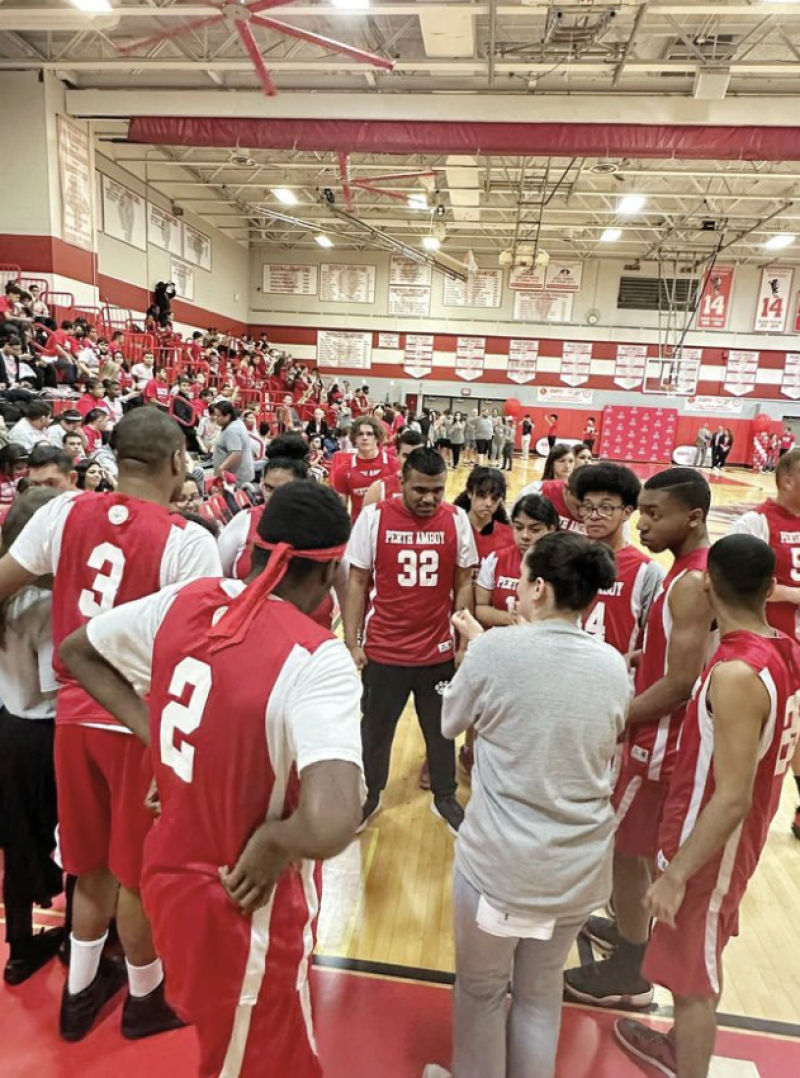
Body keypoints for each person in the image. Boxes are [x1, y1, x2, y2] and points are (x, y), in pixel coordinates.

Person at [59, 482, 363, 1078]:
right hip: (242, 901)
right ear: (330, 573)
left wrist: (158, 738)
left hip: (168, 875)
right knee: (255, 1064)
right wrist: (275, 842)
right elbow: (334, 820)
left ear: (252, 544)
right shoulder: (317, 657)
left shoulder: (186, 600)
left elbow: (78, 650)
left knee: (228, 1045)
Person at [0, 408, 222, 1042]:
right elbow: (194, 656)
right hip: (138, 722)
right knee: (137, 874)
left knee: (88, 865)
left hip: (71, 718)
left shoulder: (62, 512)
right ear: (178, 462)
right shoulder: (190, 541)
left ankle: (78, 996)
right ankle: (144, 997)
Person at [424, 533, 631, 1078]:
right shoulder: (612, 664)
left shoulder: (497, 649)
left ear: (538, 587)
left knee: (481, 990)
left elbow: (450, 724)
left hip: (502, 864)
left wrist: (474, 650)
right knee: (540, 994)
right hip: (579, 867)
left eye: (522, 579)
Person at [614, 535, 800, 1078]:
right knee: (696, 960)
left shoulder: (736, 673)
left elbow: (735, 795)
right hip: (716, 841)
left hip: (710, 847)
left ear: (709, 584)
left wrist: (677, 875)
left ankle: (686, 1064)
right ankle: (680, 1048)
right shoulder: (780, 647)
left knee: (696, 979)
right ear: (771, 588)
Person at [565, 468, 714, 1009]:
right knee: (635, 853)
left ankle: (631, 971)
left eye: (654, 513)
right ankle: (635, 936)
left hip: (660, 744)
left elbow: (680, 683)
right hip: (661, 737)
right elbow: (674, 661)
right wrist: (638, 658)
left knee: (627, 854)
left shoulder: (691, 581)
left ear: (692, 517)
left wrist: (618, 716)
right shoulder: (686, 572)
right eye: (643, 512)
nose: (645, 522)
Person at [344, 448, 477, 834]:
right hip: (383, 650)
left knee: (441, 730)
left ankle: (445, 797)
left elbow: (464, 581)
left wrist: (463, 641)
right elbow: (356, 581)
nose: (429, 498)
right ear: (401, 482)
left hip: (436, 650)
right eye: (420, 489)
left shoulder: (457, 520)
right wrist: (353, 642)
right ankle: (369, 797)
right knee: (376, 731)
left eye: (437, 490)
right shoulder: (374, 517)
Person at [0, 489, 65, 986]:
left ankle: (20, 946)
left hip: (9, 725)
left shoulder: (8, 595)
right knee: (69, 837)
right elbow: (56, 682)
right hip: (43, 732)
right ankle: (76, 940)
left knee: (17, 839)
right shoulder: (42, 601)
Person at [731, 445, 800, 839]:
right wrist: (792, 595)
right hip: (771, 650)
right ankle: (735, 806)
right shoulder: (755, 523)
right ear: (787, 479)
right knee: (760, 739)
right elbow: (740, 586)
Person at [574, 463, 664, 657]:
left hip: (620, 682)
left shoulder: (647, 571)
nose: (594, 516)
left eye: (606, 507)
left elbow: (656, 640)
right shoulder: (568, 559)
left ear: (627, 512)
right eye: (588, 507)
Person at [475, 493, 559, 628]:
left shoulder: (563, 565)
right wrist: (510, 618)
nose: (525, 536)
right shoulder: (495, 560)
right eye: (519, 528)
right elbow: (480, 608)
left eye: (535, 529)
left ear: (551, 529)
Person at [330, 416, 396, 521]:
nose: (364, 437)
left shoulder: (394, 465)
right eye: (360, 434)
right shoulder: (343, 470)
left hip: (388, 528)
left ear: (377, 437)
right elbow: (340, 511)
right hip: (360, 528)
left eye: (369, 434)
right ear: (354, 438)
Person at [452, 467, 512, 564]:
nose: (488, 503)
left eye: (494, 498)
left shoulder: (509, 537)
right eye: (482, 496)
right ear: (470, 493)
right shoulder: (451, 529)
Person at [362, 428, 425, 508]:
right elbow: (366, 519)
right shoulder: (378, 489)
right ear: (396, 454)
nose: (411, 461)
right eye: (406, 456)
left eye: (417, 456)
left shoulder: (433, 489)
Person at [516, 467, 587, 534]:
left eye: (588, 508)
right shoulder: (537, 491)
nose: (583, 513)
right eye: (578, 506)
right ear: (566, 490)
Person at [212, 400, 255, 488]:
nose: (215, 418)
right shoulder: (238, 422)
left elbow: (236, 453)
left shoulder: (232, 430)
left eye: (218, 416)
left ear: (227, 416)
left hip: (235, 479)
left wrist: (220, 469)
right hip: (241, 474)